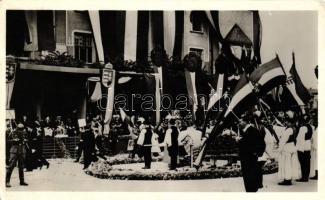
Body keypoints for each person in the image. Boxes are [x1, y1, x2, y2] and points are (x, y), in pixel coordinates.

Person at [237, 115, 265, 192]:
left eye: (241, 121)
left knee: (249, 178)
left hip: (248, 158)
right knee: (250, 177)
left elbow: (248, 144)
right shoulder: (250, 130)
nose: (239, 123)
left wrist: (239, 141)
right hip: (250, 157)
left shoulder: (251, 131)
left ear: (246, 122)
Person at [277, 112, 300, 186]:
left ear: (289, 122)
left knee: (286, 164)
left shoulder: (288, 130)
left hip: (287, 148)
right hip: (292, 146)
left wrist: (279, 148)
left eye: (286, 121)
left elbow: (283, 140)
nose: (285, 123)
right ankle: (288, 178)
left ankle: (287, 179)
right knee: (290, 164)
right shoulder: (294, 128)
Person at [6, 123, 29, 187]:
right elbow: (8, 141)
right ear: (17, 128)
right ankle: (7, 181)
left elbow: (27, 139)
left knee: (21, 167)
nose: (21, 130)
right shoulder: (13, 132)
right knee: (11, 166)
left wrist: (25, 140)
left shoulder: (24, 132)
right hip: (14, 151)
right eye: (20, 129)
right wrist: (14, 140)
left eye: (22, 128)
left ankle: (22, 181)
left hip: (21, 151)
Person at [296, 115, 313, 182]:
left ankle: (304, 177)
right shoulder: (310, 127)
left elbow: (300, 138)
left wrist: (299, 148)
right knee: (307, 162)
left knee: (303, 162)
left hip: (303, 146)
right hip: (308, 145)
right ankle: (306, 176)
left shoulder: (303, 128)